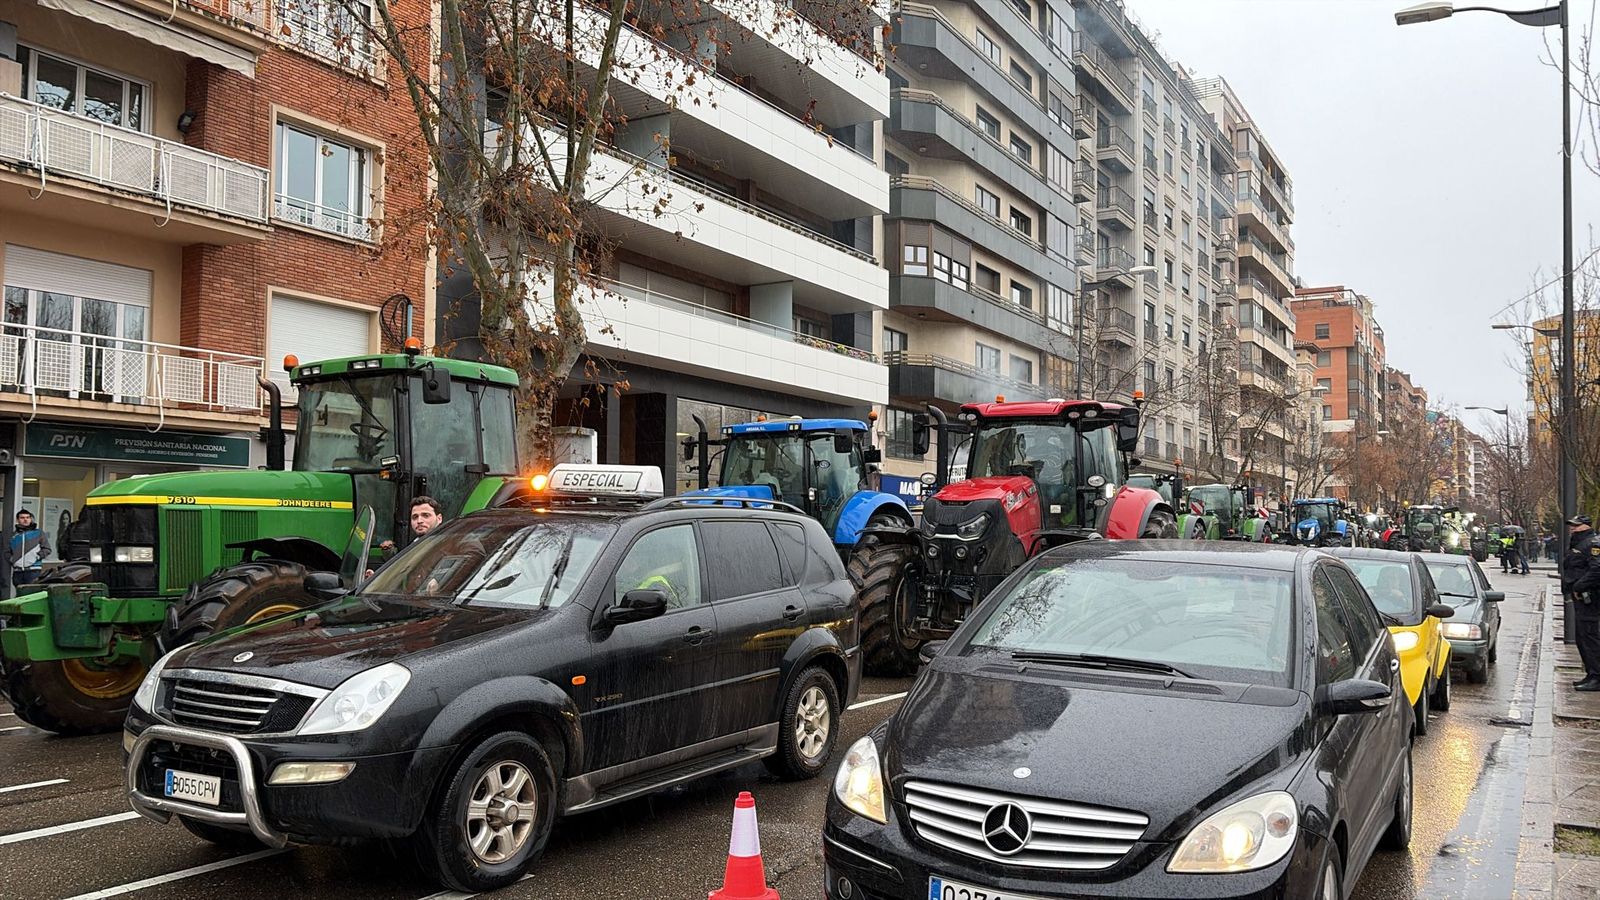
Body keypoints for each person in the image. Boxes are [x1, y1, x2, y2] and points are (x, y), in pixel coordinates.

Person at [367, 496, 445, 578]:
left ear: (439, 518)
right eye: (415, 517)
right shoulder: (414, 544)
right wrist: (375, 579)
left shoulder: (449, 545)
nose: (419, 521)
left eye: (426, 515)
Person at [1564, 515, 1600, 690]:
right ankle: (1591, 674)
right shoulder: (1579, 544)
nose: (1572, 528)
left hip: (1590, 597)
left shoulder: (1592, 543)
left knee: (1590, 636)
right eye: (1571, 525)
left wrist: (1578, 586)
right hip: (1582, 596)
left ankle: (1597, 677)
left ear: (1585, 526)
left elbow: (1596, 570)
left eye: (1576, 526)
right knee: (1583, 637)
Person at [10, 509, 51, 588]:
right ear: (18, 520)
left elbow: (47, 549)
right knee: (20, 595)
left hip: (33, 570)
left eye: (28, 517)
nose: (25, 520)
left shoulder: (38, 533)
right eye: (22, 518)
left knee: (31, 593)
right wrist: (12, 559)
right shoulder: (13, 535)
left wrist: (37, 556)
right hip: (17, 571)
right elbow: (7, 551)